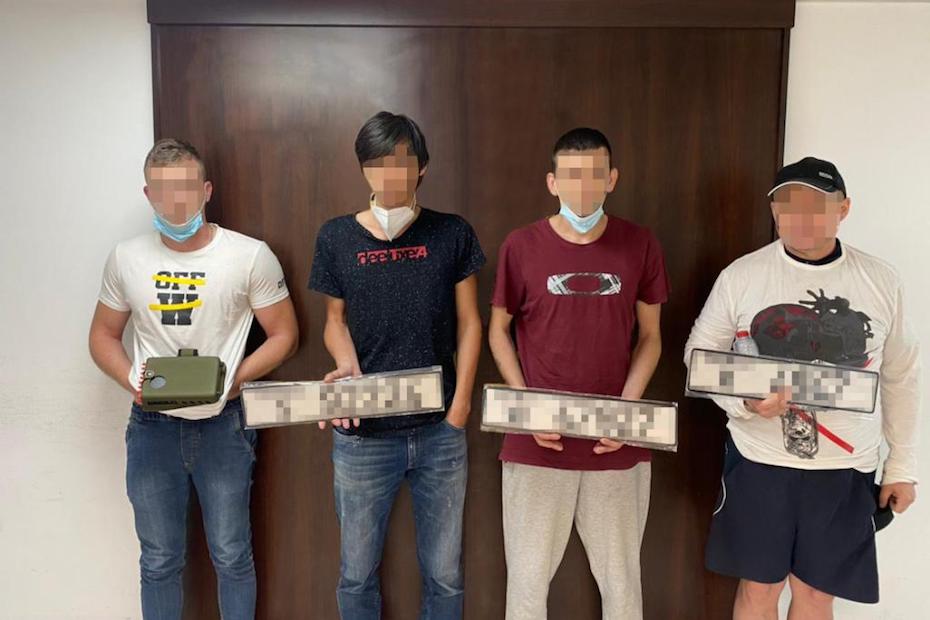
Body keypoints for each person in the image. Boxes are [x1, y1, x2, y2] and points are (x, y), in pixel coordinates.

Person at [685, 156, 921, 619]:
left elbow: (901, 374)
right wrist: (745, 401)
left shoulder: (880, 280)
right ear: (774, 211)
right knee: (759, 589)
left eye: (817, 205)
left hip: (845, 465)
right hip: (759, 459)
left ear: (844, 209)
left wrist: (902, 465)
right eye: (788, 205)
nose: (801, 217)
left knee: (815, 594)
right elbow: (699, 356)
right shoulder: (742, 275)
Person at [88, 138, 299, 620]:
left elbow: (285, 335)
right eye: (163, 191)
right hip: (151, 428)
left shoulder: (249, 256)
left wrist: (236, 379)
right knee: (159, 560)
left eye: (185, 188)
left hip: (224, 424)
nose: (176, 201)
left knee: (232, 555)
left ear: (206, 190)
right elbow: (102, 335)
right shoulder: (126, 258)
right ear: (148, 195)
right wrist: (131, 380)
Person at [308, 111, 485, 619]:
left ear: (422, 167)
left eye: (402, 163)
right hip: (362, 435)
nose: (390, 175)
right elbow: (333, 321)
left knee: (445, 574)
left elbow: (470, 323)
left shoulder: (452, 233)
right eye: (377, 163)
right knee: (357, 573)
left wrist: (459, 409)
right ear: (364, 169)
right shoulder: (336, 236)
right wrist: (347, 368)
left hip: (439, 434)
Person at [487, 127, 669, 620]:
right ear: (552, 182)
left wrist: (626, 412)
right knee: (526, 586)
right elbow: (498, 331)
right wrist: (526, 410)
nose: (583, 187)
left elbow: (651, 336)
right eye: (571, 176)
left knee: (622, 586)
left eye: (594, 175)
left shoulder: (640, 244)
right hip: (536, 444)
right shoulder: (521, 245)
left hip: (617, 444)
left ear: (612, 179)